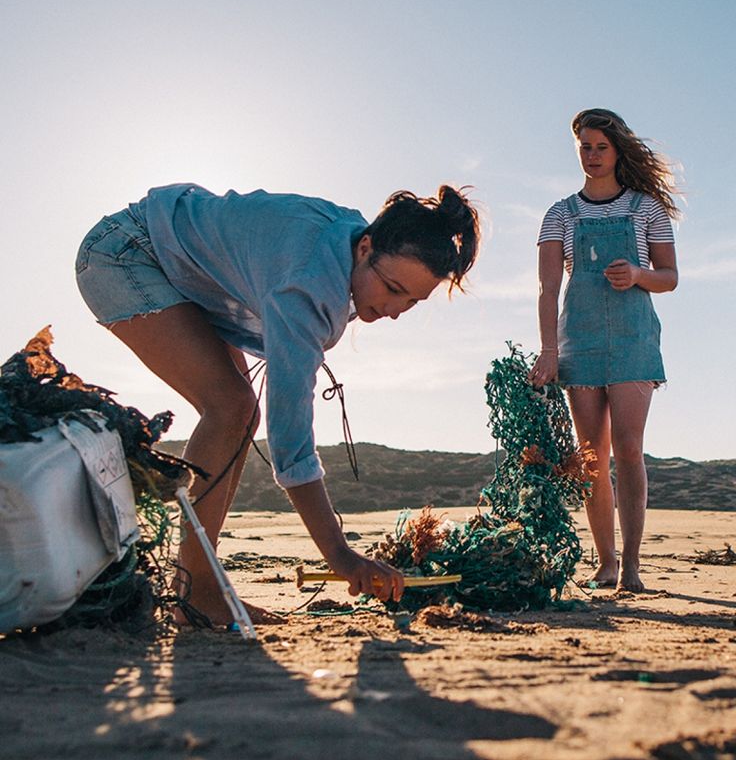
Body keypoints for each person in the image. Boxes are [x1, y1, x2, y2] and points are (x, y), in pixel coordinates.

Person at [76, 182, 480, 624]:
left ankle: (197, 584)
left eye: (412, 301)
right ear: (365, 247)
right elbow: (290, 439)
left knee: (239, 411)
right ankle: (198, 593)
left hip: (183, 265)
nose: (395, 309)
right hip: (125, 251)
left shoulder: (349, 239)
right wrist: (340, 556)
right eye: (391, 287)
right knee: (230, 407)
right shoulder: (306, 289)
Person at [529, 109, 680, 592]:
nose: (592, 156)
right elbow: (548, 289)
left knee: (629, 449)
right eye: (585, 147)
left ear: (617, 151)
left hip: (635, 338)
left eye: (601, 147)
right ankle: (606, 563)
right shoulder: (560, 214)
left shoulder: (646, 208)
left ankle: (632, 566)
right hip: (581, 339)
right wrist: (549, 350)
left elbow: (670, 277)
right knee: (592, 455)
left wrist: (638, 276)